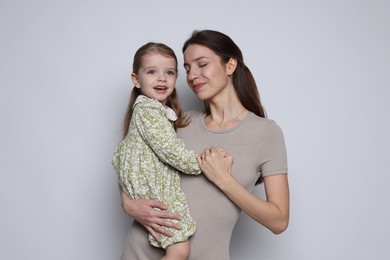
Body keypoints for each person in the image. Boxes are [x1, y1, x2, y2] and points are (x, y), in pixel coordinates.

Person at [119, 30, 290, 260]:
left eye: (202, 64)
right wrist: (128, 204)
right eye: (188, 68)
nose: (192, 76)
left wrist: (224, 180)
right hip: (140, 252)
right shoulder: (178, 121)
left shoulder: (266, 133)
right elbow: (133, 157)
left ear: (230, 65)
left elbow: (279, 221)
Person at [112, 42, 216, 260]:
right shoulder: (149, 111)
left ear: (176, 78)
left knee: (176, 249)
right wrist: (205, 163)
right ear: (135, 79)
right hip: (155, 194)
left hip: (149, 191)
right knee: (179, 251)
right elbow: (171, 151)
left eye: (169, 72)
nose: (161, 78)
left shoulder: (157, 113)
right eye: (152, 72)